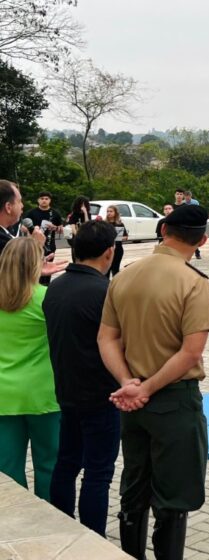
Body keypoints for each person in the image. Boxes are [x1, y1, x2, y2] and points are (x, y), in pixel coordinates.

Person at [98, 204, 209, 560]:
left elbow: (106, 338)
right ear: (202, 241)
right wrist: (146, 389)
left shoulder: (125, 275)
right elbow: (191, 353)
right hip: (174, 399)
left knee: (134, 486)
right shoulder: (194, 281)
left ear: (163, 231)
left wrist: (128, 382)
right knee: (173, 495)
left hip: (131, 401)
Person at [43, 220, 119, 536]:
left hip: (66, 392)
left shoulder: (55, 287)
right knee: (98, 474)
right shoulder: (105, 292)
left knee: (67, 463)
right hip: (101, 396)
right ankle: (92, 541)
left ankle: (62, 528)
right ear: (109, 253)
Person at [0, 237, 60, 500]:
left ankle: (17, 524)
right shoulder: (46, 299)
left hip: (4, 396)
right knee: (49, 464)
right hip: (44, 393)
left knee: (8, 467)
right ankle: (51, 519)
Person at [24, 190, 64, 258]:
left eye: (46, 199)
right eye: (42, 198)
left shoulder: (55, 213)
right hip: (34, 244)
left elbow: (61, 230)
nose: (44, 200)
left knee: (49, 266)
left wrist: (55, 227)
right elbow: (23, 227)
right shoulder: (31, 213)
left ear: (50, 200)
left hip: (50, 245)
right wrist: (32, 229)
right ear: (38, 200)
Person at [104, 205, 129, 278]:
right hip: (106, 250)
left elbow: (126, 237)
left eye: (111, 211)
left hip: (117, 249)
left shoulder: (120, 224)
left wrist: (118, 237)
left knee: (115, 270)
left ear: (115, 213)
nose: (109, 213)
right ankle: (106, 287)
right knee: (106, 271)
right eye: (107, 211)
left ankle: (115, 287)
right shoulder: (104, 224)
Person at [67, 195, 91, 263]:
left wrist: (85, 213)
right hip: (76, 239)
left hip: (86, 239)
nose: (83, 206)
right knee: (76, 258)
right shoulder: (73, 215)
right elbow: (73, 228)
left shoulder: (88, 214)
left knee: (86, 258)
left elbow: (88, 225)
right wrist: (79, 236)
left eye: (84, 204)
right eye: (81, 204)